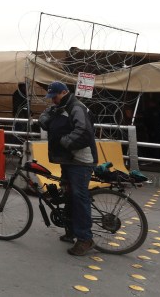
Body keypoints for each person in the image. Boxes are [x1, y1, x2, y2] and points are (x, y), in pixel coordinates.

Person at [38, 81, 98, 256]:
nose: (52, 101)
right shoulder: (59, 107)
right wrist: (48, 119)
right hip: (67, 160)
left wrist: (64, 142)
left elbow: (84, 132)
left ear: (64, 92)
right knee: (69, 195)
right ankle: (71, 230)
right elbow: (43, 120)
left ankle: (85, 238)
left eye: (55, 97)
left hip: (80, 161)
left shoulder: (76, 108)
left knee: (79, 198)